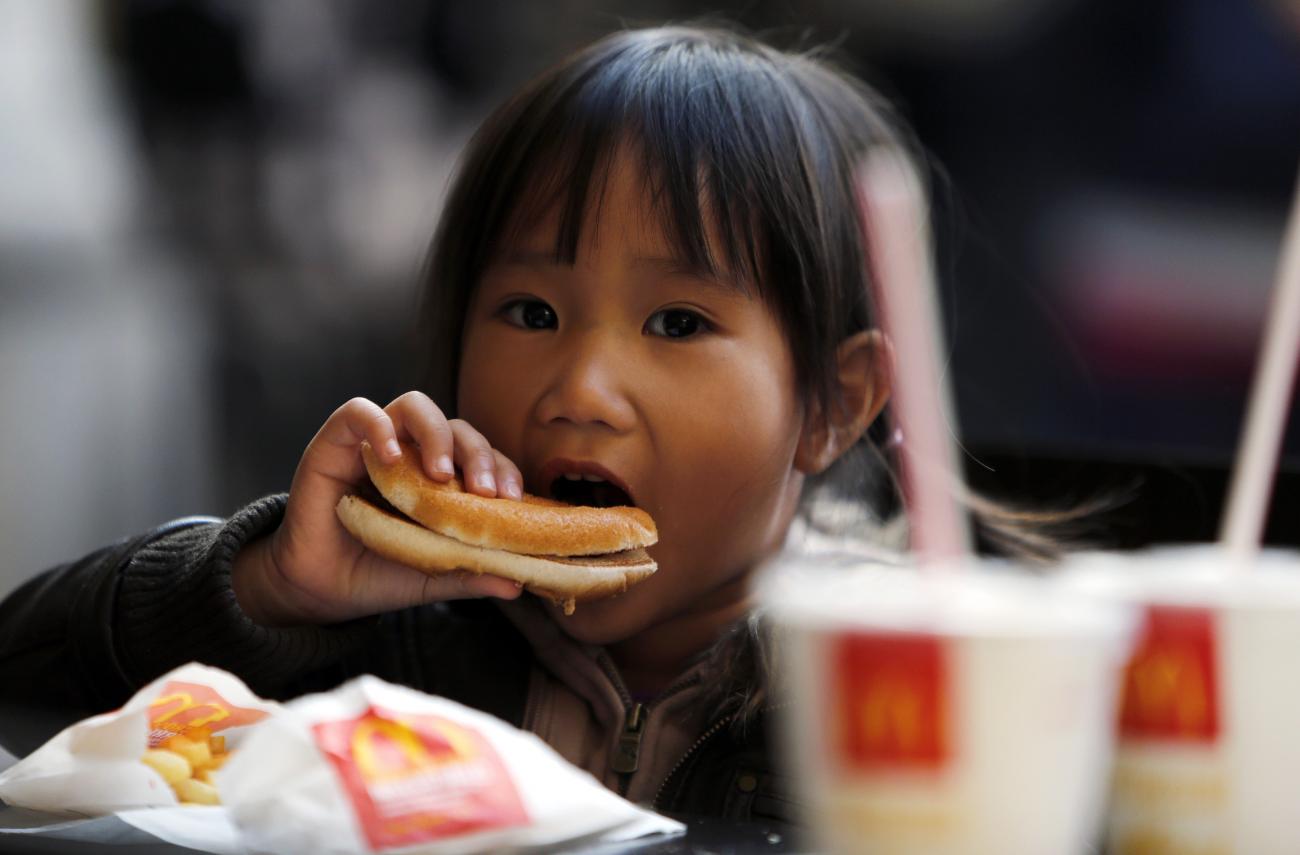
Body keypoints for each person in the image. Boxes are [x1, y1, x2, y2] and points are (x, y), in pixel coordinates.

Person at [0, 25, 965, 822]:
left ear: (833, 406)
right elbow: (27, 672)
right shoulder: (393, 645)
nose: (580, 388)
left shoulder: (884, 697)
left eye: (678, 323)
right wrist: (272, 588)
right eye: (532, 313)